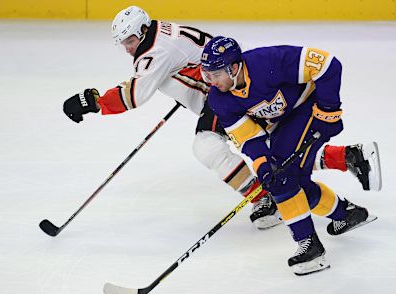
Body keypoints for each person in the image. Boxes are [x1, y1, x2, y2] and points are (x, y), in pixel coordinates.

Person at [62, 6, 381, 231]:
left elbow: (134, 95)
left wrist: (93, 102)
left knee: (207, 148)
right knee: (278, 149)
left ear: (142, 31)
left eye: (130, 41)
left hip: (219, 99)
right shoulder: (165, 32)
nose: (128, 48)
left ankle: (264, 198)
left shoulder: (154, 52)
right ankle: (347, 157)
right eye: (125, 44)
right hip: (223, 92)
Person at [200, 35, 379, 275]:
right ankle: (347, 213)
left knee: (284, 179)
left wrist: (328, 111)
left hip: (309, 108)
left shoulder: (267, 62)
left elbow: (327, 65)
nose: (211, 81)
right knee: (283, 177)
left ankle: (310, 246)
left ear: (234, 68)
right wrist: (263, 165)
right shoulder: (219, 99)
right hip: (281, 126)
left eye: (215, 74)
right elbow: (249, 138)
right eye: (206, 75)